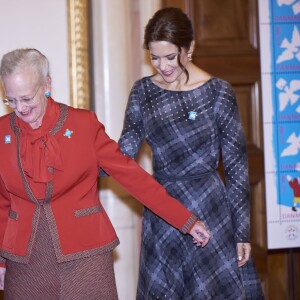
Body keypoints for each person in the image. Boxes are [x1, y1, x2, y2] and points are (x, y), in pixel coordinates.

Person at [0, 48, 210, 300]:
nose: (20, 109)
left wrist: (185, 220)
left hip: (85, 256)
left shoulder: (82, 125)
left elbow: (132, 176)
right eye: (11, 100)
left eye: (27, 98)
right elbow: (3, 203)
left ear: (46, 85)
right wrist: (1, 261)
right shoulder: (3, 134)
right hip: (24, 263)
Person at [118, 7, 265, 299]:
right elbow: (124, 153)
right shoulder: (143, 92)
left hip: (210, 207)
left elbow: (236, 166)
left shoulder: (218, 92)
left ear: (190, 48)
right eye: (154, 57)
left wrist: (241, 232)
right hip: (164, 211)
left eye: (170, 56)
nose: (162, 66)